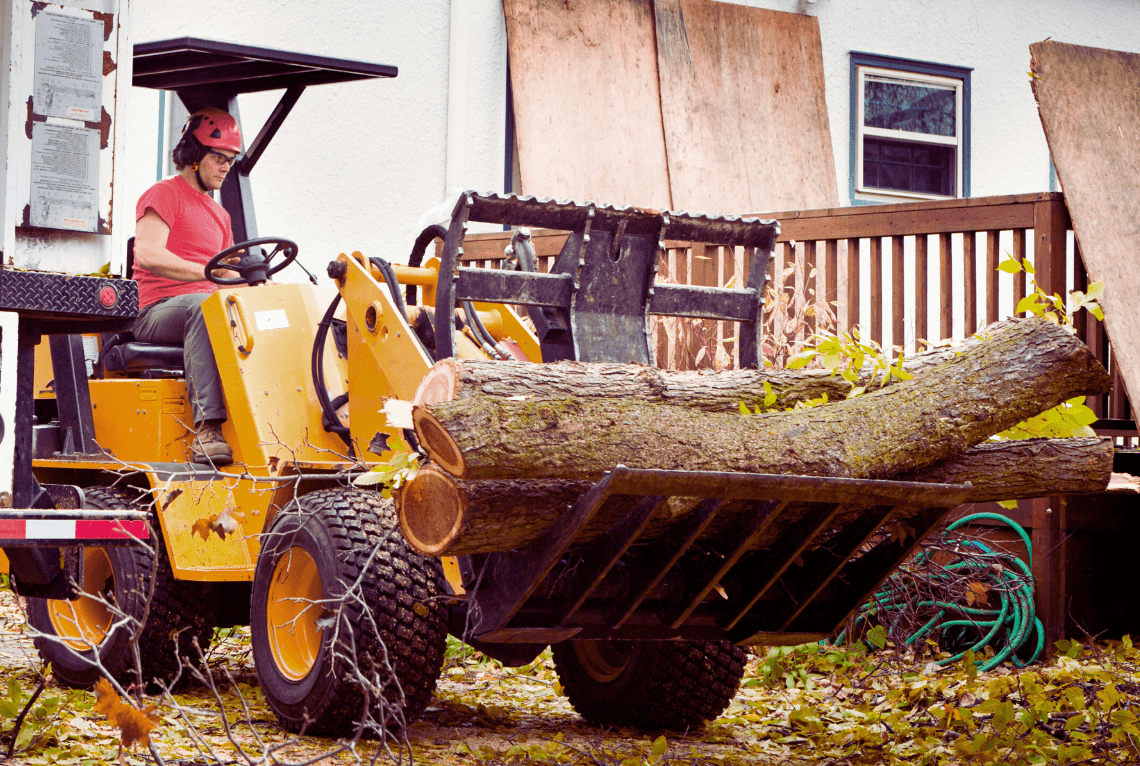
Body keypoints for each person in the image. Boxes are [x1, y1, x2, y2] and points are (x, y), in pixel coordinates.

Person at [132, 107, 243, 465]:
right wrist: (208, 274)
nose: (225, 167)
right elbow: (147, 254)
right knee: (204, 307)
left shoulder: (220, 215)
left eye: (230, 160)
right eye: (218, 158)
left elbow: (225, 276)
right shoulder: (164, 195)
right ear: (193, 156)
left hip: (204, 308)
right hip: (155, 311)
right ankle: (208, 428)